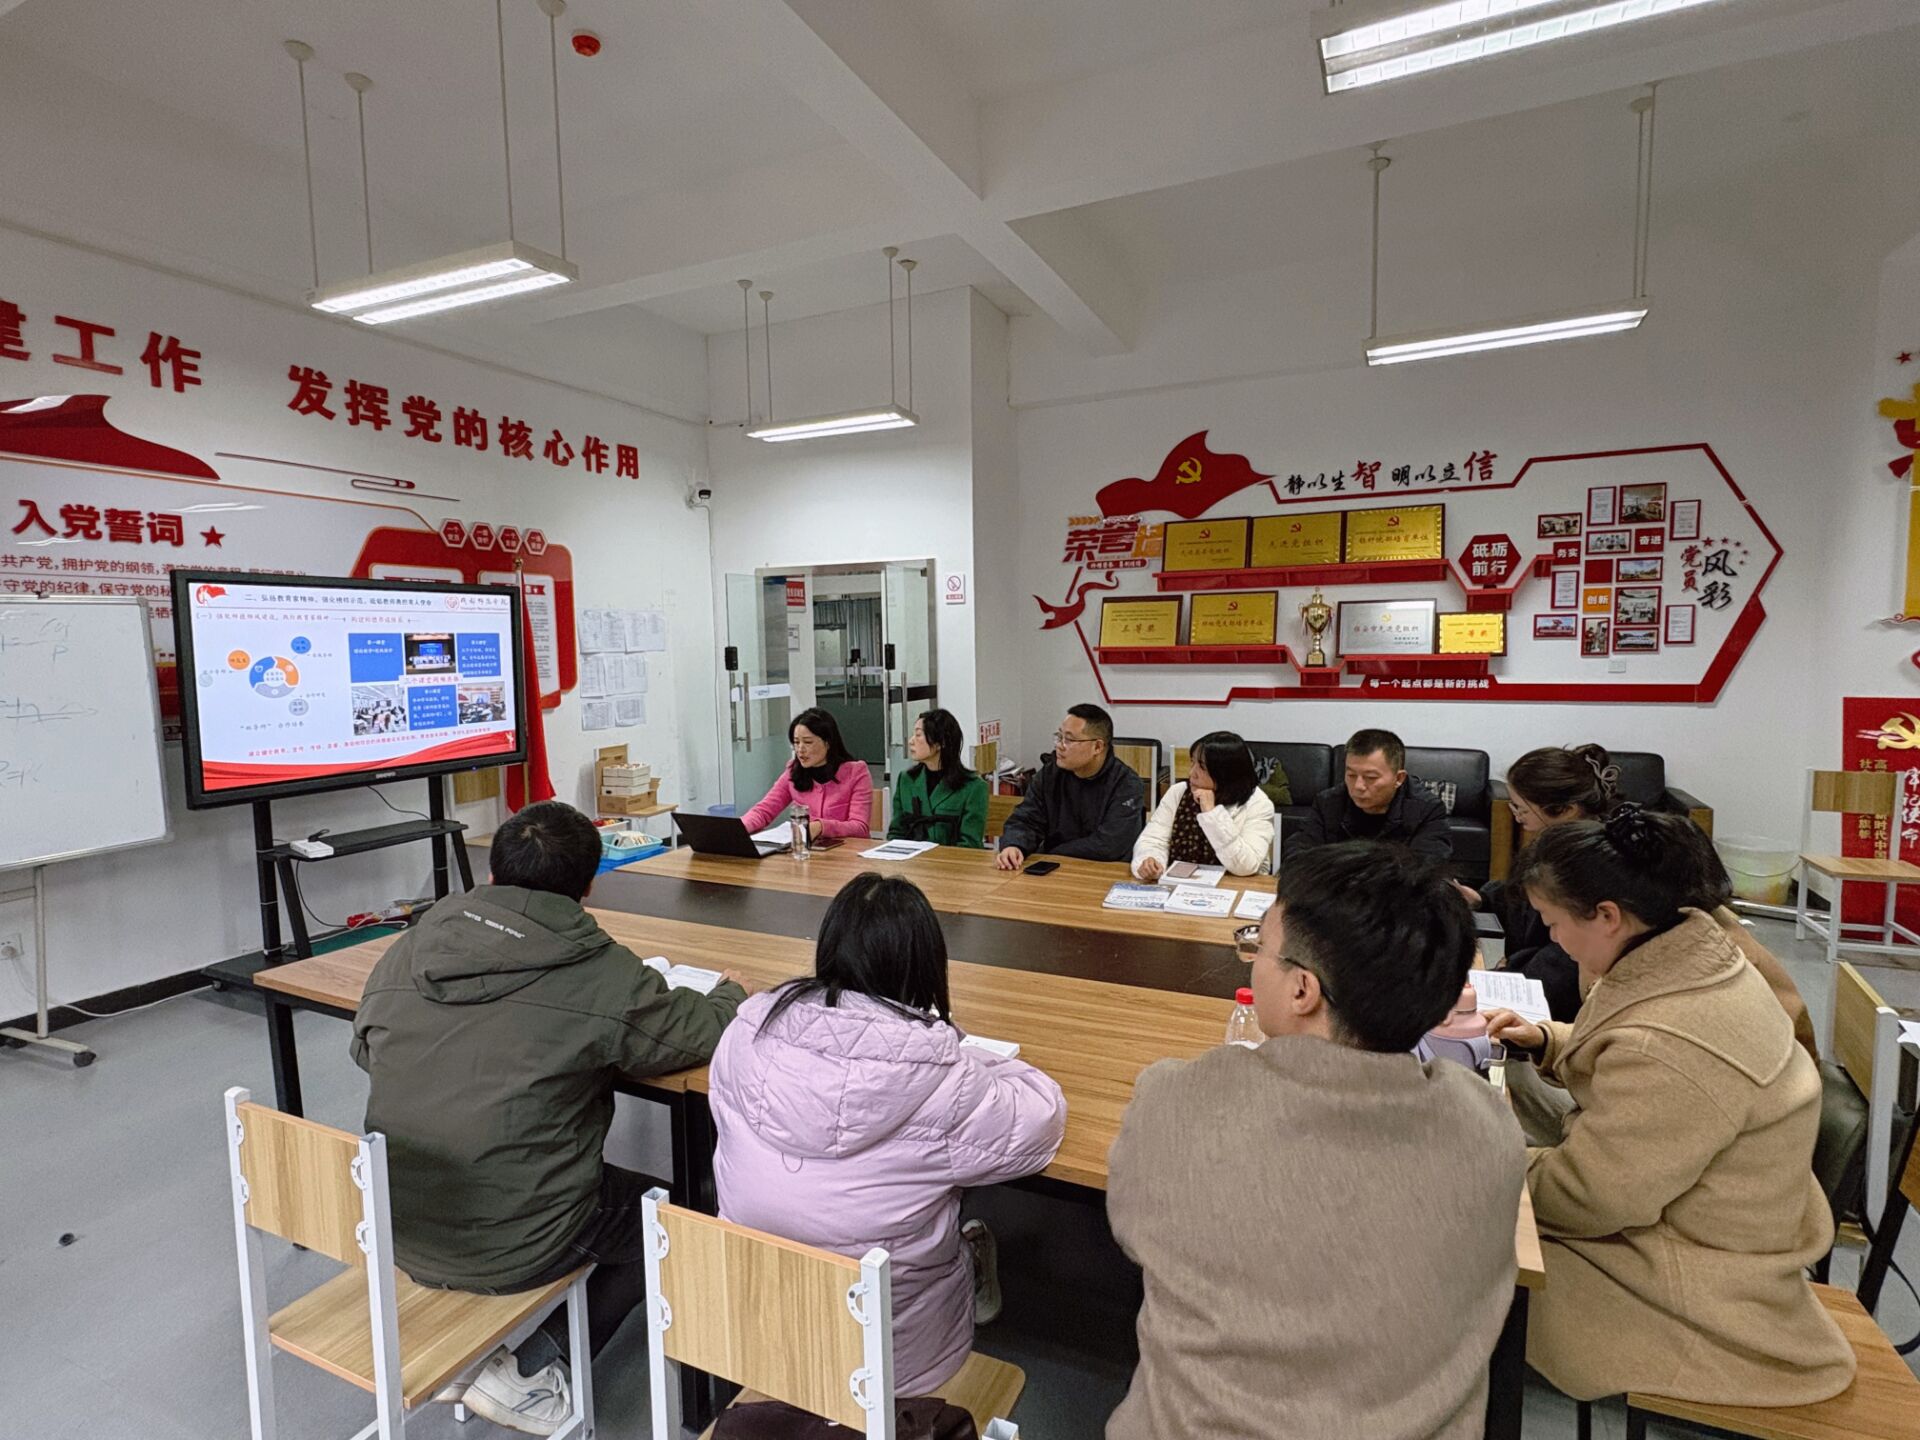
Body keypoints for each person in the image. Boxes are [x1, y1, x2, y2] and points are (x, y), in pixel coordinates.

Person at [351, 801, 747, 1435]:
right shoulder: (598, 968)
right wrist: (731, 992)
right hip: (513, 1236)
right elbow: (695, 1033)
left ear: (491, 875)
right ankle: (534, 1370)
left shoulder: (413, 943)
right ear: (588, 887)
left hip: (397, 1216)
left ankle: (449, 1347)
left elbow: (366, 1049)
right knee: (672, 1212)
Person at [1107, 844, 1526, 1440]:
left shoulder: (1177, 1101)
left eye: (1259, 946)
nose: (1252, 960)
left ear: (1303, 990)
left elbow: (1130, 1231)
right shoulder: (1488, 1126)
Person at [1483, 805, 1854, 1407]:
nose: (1552, 938)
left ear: (1607, 916)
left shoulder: (1670, 1044)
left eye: (1553, 922)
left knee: (1458, 1242)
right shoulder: (1693, 950)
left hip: (1695, 1276)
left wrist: (1479, 1165)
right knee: (1506, 1105)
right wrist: (1548, 1039)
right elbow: (1642, 1050)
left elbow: (1591, 1195)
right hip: (1706, 1208)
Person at [709, 873, 1066, 1396]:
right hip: (894, 1364)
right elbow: (1042, 1119)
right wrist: (962, 1055)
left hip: (759, 1328)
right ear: (925, 966)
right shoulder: (942, 1081)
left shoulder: (743, 1034)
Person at [1458, 743, 1618, 1022]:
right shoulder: (1553, 843)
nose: (1516, 814)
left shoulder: (1591, 862)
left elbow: (1564, 958)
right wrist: (1482, 898)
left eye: (1522, 808)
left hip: (1555, 1000)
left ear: (1565, 809)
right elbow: (1522, 897)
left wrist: (1513, 974)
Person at [996, 703, 1145, 869]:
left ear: (1097, 746)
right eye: (1059, 736)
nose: (1059, 745)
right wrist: (1014, 845)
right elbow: (1027, 818)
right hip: (1055, 867)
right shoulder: (1050, 774)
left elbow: (1110, 845)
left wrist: (1052, 854)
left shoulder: (1126, 784)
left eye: (1069, 740)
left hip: (1105, 870)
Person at [1281, 727, 1452, 864]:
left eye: (1370, 778)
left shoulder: (1426, 809)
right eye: (1351, 775)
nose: (1358, 786)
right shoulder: (1328, 802)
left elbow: (1428, 868)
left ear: (1399, 778)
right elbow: (1296, 853)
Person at [1131, 730, 1275, 879]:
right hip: (1180, 883)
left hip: (1236, 886)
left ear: (1225, 773)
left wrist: (1211, 813)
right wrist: (1151, 860)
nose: (1192, 773)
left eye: (1202, 767)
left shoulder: (1258, 804)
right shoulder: (1178, 792)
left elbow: (1246, 866)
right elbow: (1153, 840)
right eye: (1192, 762)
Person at [739, 707, 875, 842]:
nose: (800, 749)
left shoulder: (856, 772)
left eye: (808, 742)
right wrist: (739, 828)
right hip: (805, 851)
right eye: (796, 742)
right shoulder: (793, 771)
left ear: (828, 743)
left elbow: (860, 828)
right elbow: (764, 810)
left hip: (846, 853)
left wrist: (821, 827)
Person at [888, 708, 989, 848]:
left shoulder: (974, 787)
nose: (911, 741)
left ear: (940, 742)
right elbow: (896, 832)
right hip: (910, 859)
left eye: (918, 735)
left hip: (951, 860)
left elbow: (970, 844)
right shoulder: (906, 780)